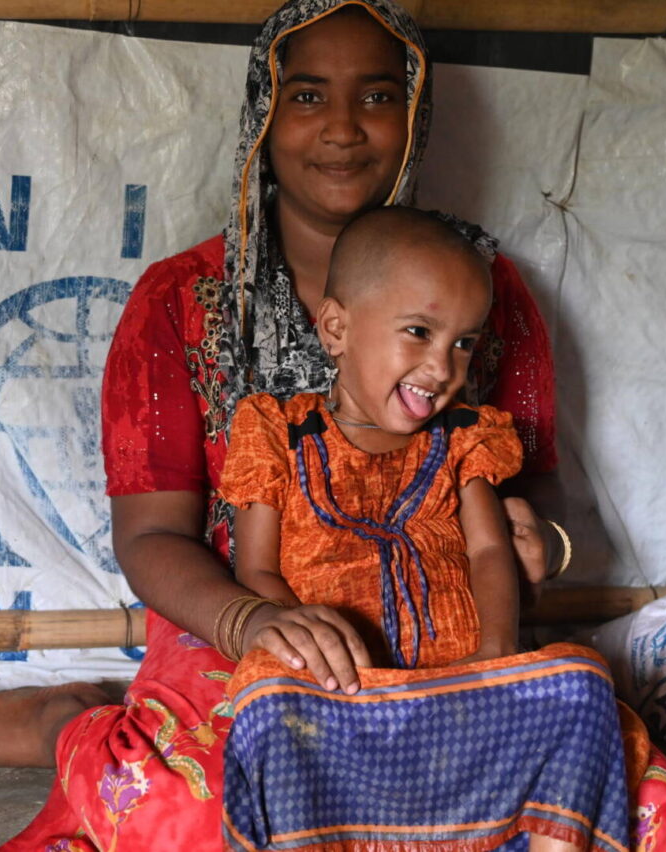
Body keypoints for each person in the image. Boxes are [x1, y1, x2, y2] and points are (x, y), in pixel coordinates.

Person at [0, 2, 666, 850]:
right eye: (309, 96)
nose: (345, 131)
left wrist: (546, 538)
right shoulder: (181, 303)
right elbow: (152, 537)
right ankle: (69, 727)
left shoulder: (484, 293)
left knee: (646, 819)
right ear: (263, 114)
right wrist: (251, 622)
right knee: (197, 819)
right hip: (246, 623)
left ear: (418, 111)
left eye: (381, 96)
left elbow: (541, 493)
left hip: (448, 637)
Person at [218, 206, 629, 851]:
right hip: (346, 702)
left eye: (463, 342)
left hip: (460, 692)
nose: (443, 368)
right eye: (418, 332)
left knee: (583, 680)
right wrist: (309, 656)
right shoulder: (276, 433)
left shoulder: (466, 439)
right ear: (336, 328)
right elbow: (256, 571)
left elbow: (490, 550)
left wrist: (496, 654)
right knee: (267, 699)